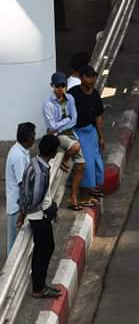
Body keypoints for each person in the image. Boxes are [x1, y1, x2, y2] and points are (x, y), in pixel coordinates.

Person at [17, 134, 62, 300]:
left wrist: (22, 213)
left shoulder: (33, 163)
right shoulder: (41, 172)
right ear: (53, 152)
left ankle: (40, 284)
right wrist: (49, 211)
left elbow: (24, 191)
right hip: (39, 217)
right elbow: (36, 199)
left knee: (44, 249)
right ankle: (38, 287)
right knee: (44, 251)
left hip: (36, 215)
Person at [69, 65, 106, 202]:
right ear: (82, 78)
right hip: (78, 132)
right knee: (86, 164)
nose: (91, 80)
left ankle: (91, 190)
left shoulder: (95, 94)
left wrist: (101, 137)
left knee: (97, 163)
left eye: (93, 78)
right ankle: (84, 194)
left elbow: (98, 117)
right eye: (88, 77)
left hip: (91, 132)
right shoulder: (73, 94)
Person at [5, 122, 34, 256]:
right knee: (15, 248)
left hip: (18, 205)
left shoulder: (21, 151)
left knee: (17, 244)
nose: (34, 138)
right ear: (27, 138)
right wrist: (23, 212)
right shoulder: (19, 156)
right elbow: (23, 185)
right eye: (33, 135)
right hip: (17, 207)